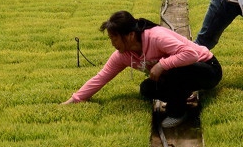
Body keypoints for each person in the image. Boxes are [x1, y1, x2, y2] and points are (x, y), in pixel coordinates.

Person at [63, 11, 222, 128]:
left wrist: (161, 65)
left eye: (115, 38)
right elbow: (101, 77)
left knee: (172, 70)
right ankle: (183, 94)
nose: (113, 43)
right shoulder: (123, 55)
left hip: (208, 69)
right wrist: (75, 99)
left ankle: (177, 112)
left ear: (130, 35)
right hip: (185, 75)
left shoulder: (156, 37)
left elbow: (191, 55)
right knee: (147, 89)